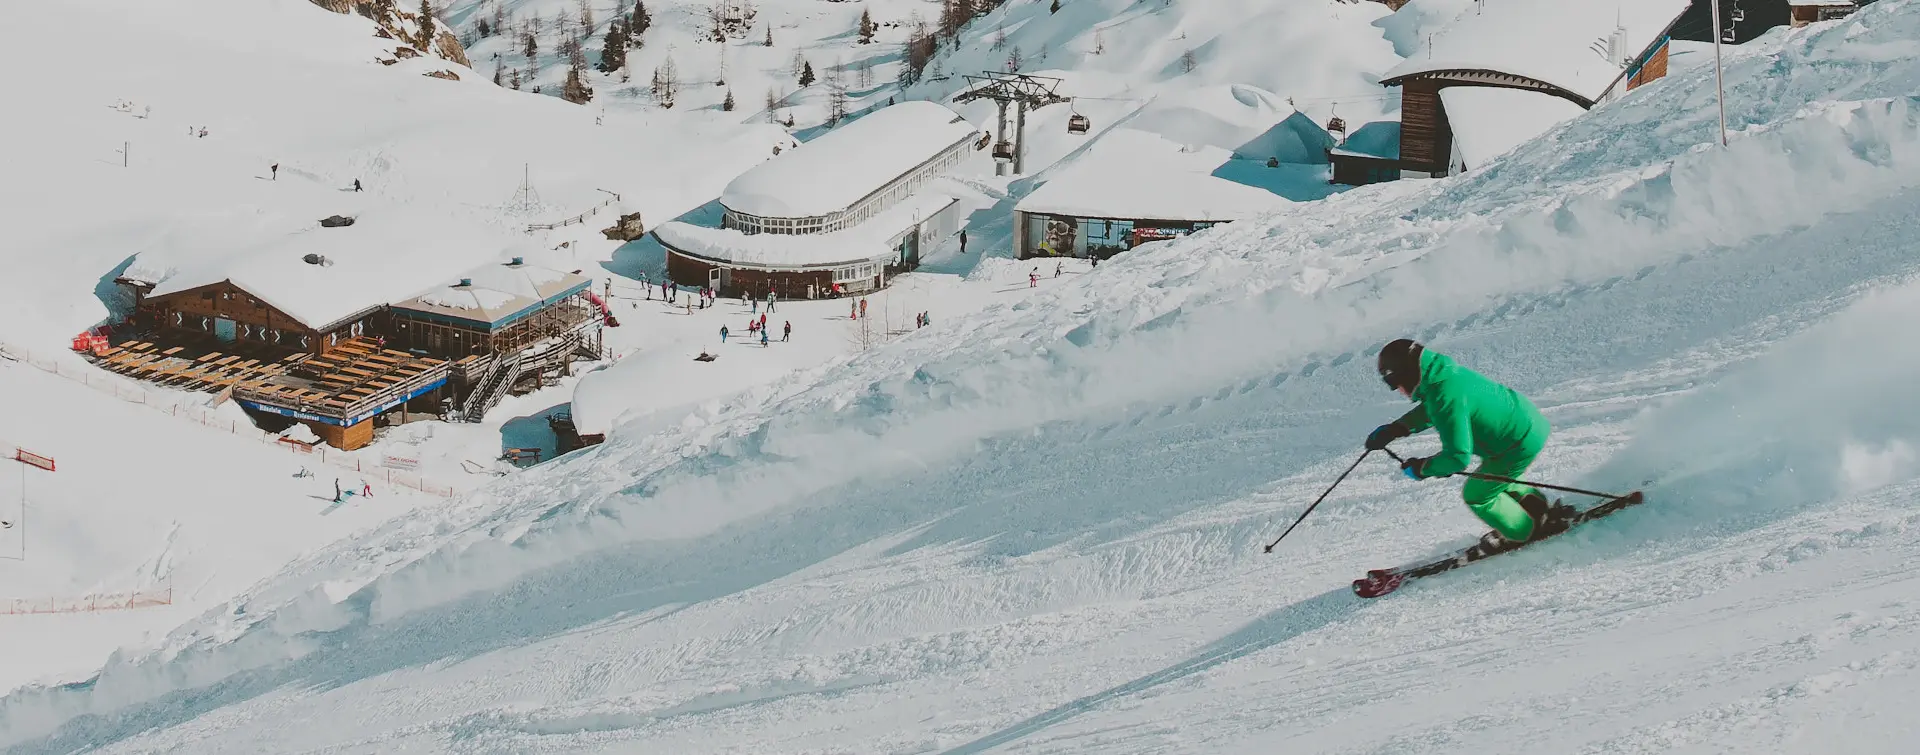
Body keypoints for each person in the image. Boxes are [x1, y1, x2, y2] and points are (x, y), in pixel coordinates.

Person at [1365, 339, 1573, 546]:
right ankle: (1535, 508)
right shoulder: (1443, 376)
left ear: (1408, 375)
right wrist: (1397, 428)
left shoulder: (1444, 395)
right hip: (1524, 426)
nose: (1399, 391)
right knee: (1494, 479)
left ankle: (1525, 531)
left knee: (1476, 494)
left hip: (1516, 444)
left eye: (1396, 384)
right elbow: (1435, 407)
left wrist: (1422, 469)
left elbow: (1457, 457)